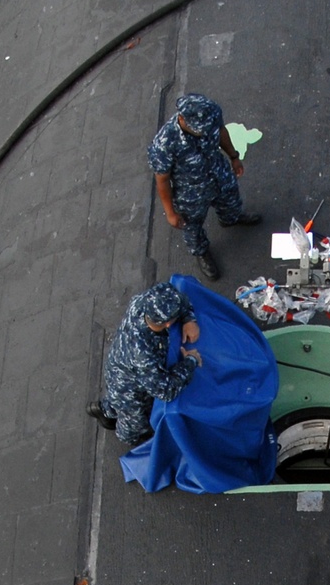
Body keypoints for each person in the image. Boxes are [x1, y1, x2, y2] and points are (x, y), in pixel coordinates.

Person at [147, 93, 261, 281]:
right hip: (190, 192)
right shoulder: (164, 144)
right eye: (199, 129)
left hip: (218, 173)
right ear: (182, 119)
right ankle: (201, 251)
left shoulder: (211, 114)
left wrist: (234, 156)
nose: (204, 131)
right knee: (192, 226)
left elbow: (221, 132)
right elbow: (162, 180)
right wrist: (170, 212)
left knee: (231, 201)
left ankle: (230, 219)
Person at [88, 281, 202, 446]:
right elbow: (165, 390)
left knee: (117, 403)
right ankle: (130, 437)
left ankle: (105, 410)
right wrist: (190, 361)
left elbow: (178, 298)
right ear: (169, 323)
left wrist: (189, 319)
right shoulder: (143, 353)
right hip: (128, 387)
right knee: (135, 423)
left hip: (119, 365)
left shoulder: (147, 301)